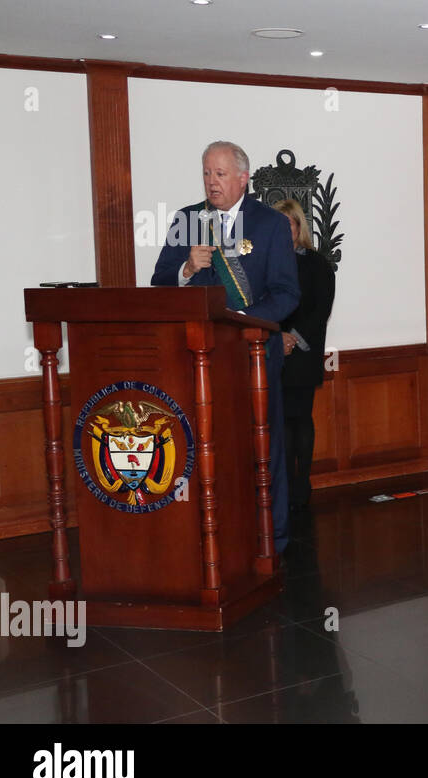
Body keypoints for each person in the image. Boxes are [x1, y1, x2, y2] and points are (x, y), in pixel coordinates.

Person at [150, 140, 300, 556]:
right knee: (206, 445)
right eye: (205, 174)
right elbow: (160, 284)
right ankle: (214, 534)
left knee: (261, 445)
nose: (211, 182)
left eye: (219, 174)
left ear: (242, 178)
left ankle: (272, 537)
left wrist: (245, 321)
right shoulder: (188, 220)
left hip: (253, 354)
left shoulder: (269, 223)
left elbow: (287, 294)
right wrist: (186, 268)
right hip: (200, 356)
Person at [271, 198, 336, 511]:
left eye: (290, 224)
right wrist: (275, 338)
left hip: (303, 353)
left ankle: (302, 483)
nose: (285, 231)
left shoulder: (317, 264)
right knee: (280, 422)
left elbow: (319, 311)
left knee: (300, 419)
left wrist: (291, 339)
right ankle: (282, 484)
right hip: (273, 352)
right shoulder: (267, 263)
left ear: (300, 226)